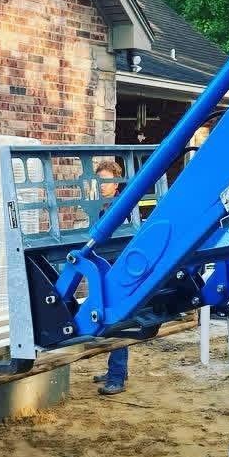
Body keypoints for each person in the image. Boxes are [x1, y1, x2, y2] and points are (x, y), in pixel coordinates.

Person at [93, 157, 129, 396]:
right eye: (99, 182)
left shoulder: (120, 209)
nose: (102, 186)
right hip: (106, 269)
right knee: (110, 321)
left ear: (116, 185)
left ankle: (117, 376)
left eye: (106, 182)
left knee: (117, 323)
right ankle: (116, 370)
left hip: (118, 270)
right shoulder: (99, 207)